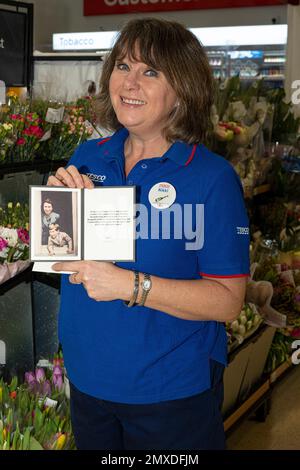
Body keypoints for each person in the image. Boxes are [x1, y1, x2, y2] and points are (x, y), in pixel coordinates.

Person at [48, 18, 250, 450]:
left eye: (150, 71)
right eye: (122, 66)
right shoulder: (88, 157)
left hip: (169, 393)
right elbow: (69, 259)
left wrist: (131, 286)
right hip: (88, 381)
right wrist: (57, 212)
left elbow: (229, 300)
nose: (129, 82)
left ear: (183, 89)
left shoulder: (210, 178)